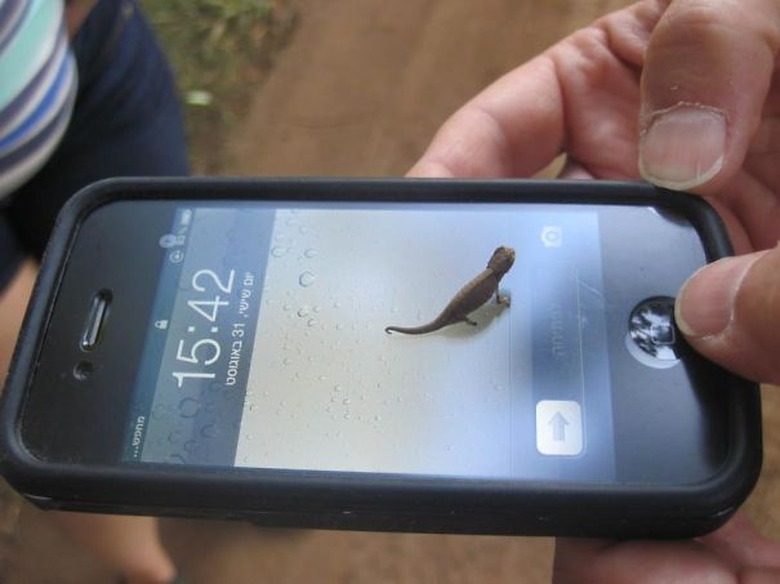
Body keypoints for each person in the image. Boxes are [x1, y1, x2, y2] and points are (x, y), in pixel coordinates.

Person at [410, 0, 780, 581]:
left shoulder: (493, 280)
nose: (506, 261)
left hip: (472, 306)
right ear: (498, 265)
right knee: (446, 321)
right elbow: (483, 299)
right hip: (467, 310)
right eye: (505, 259)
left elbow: (487, 292)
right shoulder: (493, 285)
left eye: (504, 261)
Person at [1, 1, 188, 582]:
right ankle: (150, 571)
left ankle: (249, 483)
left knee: (186, 299)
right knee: (67, 415)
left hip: (80, 54)